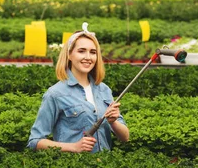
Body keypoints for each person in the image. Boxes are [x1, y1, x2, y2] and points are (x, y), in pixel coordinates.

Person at [27, 24, 129, 153]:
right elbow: (35, 141)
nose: (88, 57)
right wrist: (74, 147)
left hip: (104, 167)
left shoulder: (104, 90)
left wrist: (113, 122)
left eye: (93, 52)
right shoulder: (55, 94)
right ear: (69, 55)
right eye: (81, 51)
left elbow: (125, 137)